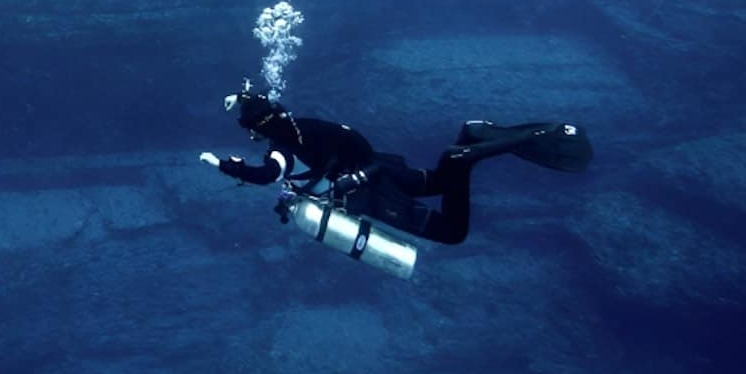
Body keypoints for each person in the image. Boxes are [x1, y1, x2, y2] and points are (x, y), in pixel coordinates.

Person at [199, 83, 592, 245]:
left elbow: (268, 174)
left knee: (452, 233)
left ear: (256, 126)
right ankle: (469, 137)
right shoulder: (304, 124)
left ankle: (473, 150)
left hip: (373, 191)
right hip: (380, 168)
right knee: (440, 179)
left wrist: (224, 166)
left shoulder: (282, 147)